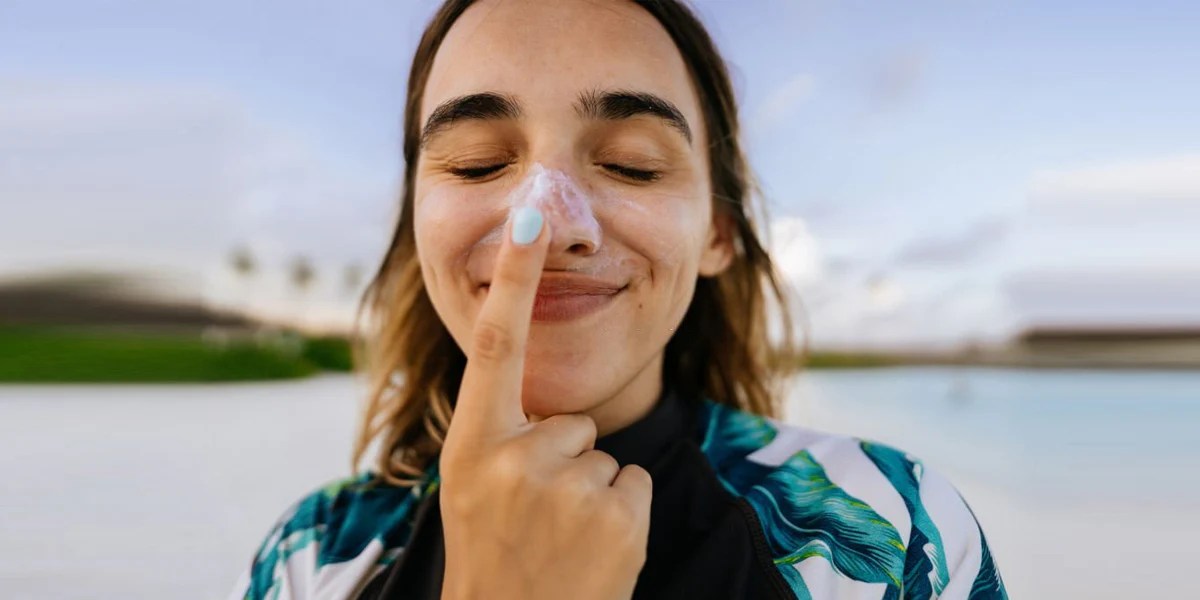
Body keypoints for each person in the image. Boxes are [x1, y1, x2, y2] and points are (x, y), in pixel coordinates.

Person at [229, 1, 1008, 598]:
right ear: (414, 230)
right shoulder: (313, 557)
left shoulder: (895, 530)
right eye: (475, 164)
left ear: (718, 232)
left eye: (634, 166)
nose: (552, 222)